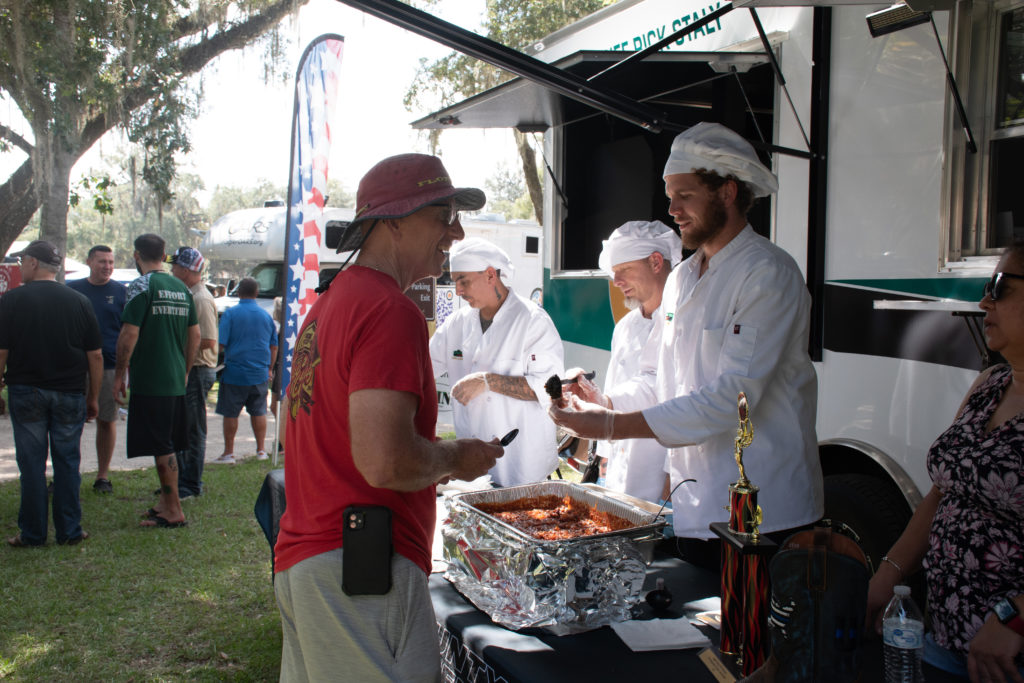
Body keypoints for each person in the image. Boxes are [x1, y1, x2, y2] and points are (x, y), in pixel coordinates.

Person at [273, 153, 504, 682]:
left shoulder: (330, 303)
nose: (457, 230)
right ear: (394, 220)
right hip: (359, 567)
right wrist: (457, 457)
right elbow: (386, 463)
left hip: (314, 558)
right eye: (443, 215)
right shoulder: (388, 309)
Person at [550, 122, 823, 568]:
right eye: (670, 195)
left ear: (728, 192)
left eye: (685, 195)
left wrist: (613, 427)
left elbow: (731, 401)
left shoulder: (768, 273)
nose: (672, 209)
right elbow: (665, 382)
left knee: (746, 635)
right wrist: (604, 406)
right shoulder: (681, 279)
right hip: (697, 507)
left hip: (762, 514)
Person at [866, 245, 1024, 683]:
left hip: (1007, 658)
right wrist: (890, 571)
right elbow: (943, 492)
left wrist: (1015, 618)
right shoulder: (990, 384)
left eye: (999, 287)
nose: (983, 302)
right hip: (947, 638)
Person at [430, 237, 565, 487]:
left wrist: (488, 381)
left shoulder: (532, 321)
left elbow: (551, 389)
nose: (458, 290)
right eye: (455, 281)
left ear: (491, 275)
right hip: (473, 467)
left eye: (464, 280)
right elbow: (424, 369)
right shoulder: (456, 324)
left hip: (523, 468)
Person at [0, 240, 101, 546]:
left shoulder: (12, 300)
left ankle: (32, 533)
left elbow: (1, 352)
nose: (20, 268)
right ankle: (70, 531)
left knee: (31, 464)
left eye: (22, 263)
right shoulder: (79, 301)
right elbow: (95, 355)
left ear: (32, 262)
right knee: (67, 461)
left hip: (26, 390)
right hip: (70, 393)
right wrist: (93, 396)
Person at [572, 220, 681, 503]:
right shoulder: (626, 326)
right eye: (614, 273)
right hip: (619, 472)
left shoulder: (683, 320)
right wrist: (604, 455)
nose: (616, 281)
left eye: (624, 271)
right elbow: (615, 384)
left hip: (665, 475)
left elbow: (668, 393)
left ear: (656, 262)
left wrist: (673, 474)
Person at [115, 233, 200, 529]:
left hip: (151, 380)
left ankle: (173, 509)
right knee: (166, 442)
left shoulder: (141, 285)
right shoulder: (181, 287)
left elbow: (129, 333)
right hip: (175, 379)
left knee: (162, 444)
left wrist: (119, 374)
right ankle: (166, 502)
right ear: (164, 255)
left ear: (137, 255)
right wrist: (185, 369)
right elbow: (195, 334)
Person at [67, 245, 127, 494]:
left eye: (111, 262)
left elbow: (128, 333)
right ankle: (66, 475)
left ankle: (103, 476)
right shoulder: (72, 290)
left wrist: (124, 373)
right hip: (75, 367)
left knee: (106, 419)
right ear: (89, 261)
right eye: (102, 261)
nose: (107, 266)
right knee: (70, 423)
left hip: (110, 366)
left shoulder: (122, 292)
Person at [168, 246, 218, 497]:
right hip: (190, 369)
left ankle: (190, 484)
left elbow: (208, 340)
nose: (172, 269)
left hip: (198, 370)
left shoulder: (200, 298)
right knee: (182, 428)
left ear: (187, 270)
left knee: (193, 430)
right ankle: (179, 480)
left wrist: (179, 351)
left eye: (175, 266)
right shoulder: (190, 293)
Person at [211, 277, 276, 464]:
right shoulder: (266, 316)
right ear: (256, 293)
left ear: (238, 292)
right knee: (259, 411)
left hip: (235, 372)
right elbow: (274, 346)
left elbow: (221, 344)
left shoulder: (231, 314)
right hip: (260, 373)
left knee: (230, 413)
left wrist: (212, 362)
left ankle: (229, 453)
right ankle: (261, 450)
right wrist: (270, 368)